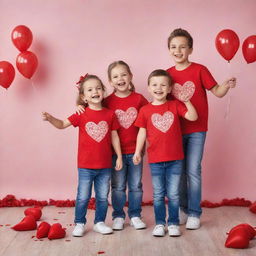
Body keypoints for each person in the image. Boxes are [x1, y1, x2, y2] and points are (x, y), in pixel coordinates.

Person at [166, 28, 237, 230]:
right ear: (169, 50)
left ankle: (195, 213)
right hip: (174, 131)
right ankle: (182, 209)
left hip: (197, 129)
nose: (177, 50)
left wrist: (226, 85)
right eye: (173, 47)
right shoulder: (168, 74)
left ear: (190, 49)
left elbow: (217, 92)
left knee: (193, 170)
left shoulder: (200, 70)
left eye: (182, 47)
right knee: (177, 171)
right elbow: (162, 100)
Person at [42, 74, 123, 237]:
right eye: (90, 89)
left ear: (103, 91)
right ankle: (79, 223)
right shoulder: (81, 114)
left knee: (102, 197)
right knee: (83, 197)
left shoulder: (110, 114)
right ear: (84, 97)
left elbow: (114, 136)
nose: (95, 91)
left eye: (99, 88)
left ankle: (99, 222)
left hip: (105, 166)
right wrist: (51, 119)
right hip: (86, 166)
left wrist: (119, 156)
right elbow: (63, 124)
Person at [77, 61, 148, 230]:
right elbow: (92, 110)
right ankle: (118, 216)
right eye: (115, 76)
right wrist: (80, 105)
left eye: (124, 74)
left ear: (130, 76)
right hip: (115, 155)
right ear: (110, 82)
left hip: (135, 152)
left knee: (136, 186)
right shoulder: (107, 101)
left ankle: (135, 215)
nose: (120, 79)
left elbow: (149, 117)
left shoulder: (139, 99)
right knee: (117, 186)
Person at [133, 69, 198, 237]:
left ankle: (174, 223)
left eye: (163, 85)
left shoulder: (175, 105)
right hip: (155, 160)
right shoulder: (145, 110)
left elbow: (192, 117)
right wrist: (137, 152)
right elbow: (141, 132)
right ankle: (160, 224)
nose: (159, 88)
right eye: (154, 84)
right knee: (159, 194)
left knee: (174, 194)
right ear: (148, 88)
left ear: (170, 89)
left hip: (175, 159)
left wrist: (187, 101)